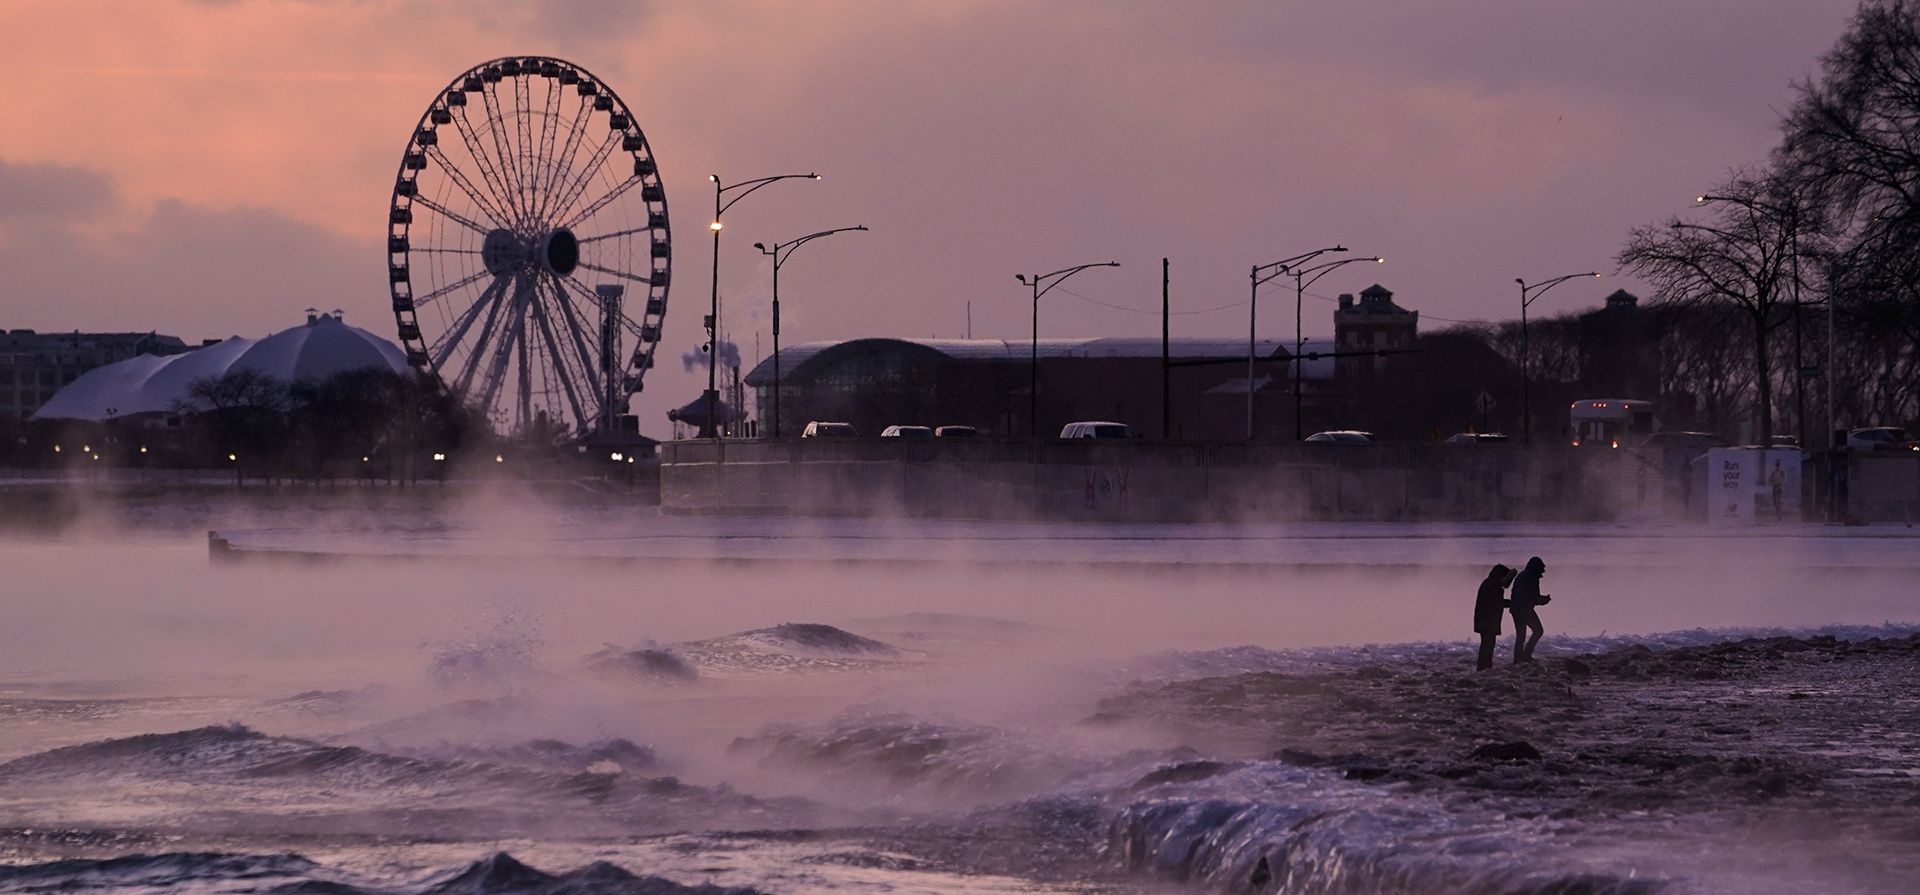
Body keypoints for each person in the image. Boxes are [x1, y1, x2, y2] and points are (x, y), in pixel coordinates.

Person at [1473, 564, 1517, 671]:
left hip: (1483, 620)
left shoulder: (1488, 583)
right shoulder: (1494, 586)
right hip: (1487, 621)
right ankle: (1484, 668)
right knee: (1488, 646)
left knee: (1486, 645)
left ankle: (1484, 667)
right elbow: (1497, 603)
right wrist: (1514, 603)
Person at [1509, 556, 1551, 664]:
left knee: (1521, 635)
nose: (1542, 572)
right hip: (1524, 609)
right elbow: (1535, 598)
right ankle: (1526, 655)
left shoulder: (1522, 575)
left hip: (1515, 609)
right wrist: (1545, 600)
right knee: (1538, 630)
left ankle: (1518, 658)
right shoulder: (1532, 577)